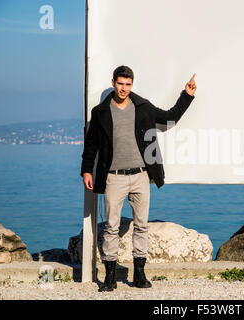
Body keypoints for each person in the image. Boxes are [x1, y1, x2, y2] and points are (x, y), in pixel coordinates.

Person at [81, 65, 196, 292]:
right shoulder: (100, 112)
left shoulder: (142, 107)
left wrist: (187, 95)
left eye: (128, 84)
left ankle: (140, 275)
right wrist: (86, 170)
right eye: (120, 83)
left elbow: (169, 117)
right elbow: (91, 143)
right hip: (114, 178)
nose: (123, 88)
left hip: (141, 176)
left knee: (141, 226)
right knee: (111, 227)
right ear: (113, 82)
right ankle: (110, 277)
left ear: (132, 84)